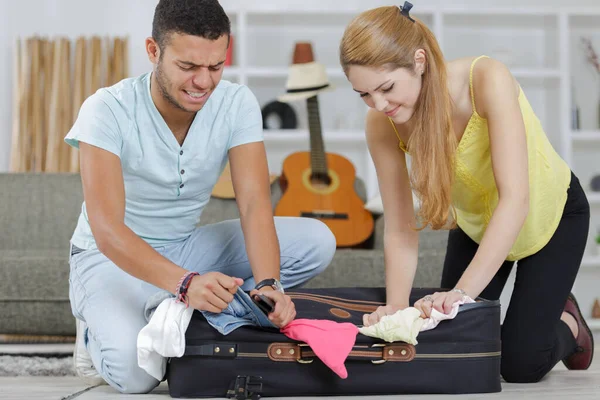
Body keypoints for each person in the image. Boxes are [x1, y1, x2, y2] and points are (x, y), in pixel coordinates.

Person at [64, 0, 336, 394]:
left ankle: (176, 306)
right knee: (137, 377)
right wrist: (186, 282)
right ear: (153, 51)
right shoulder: (106, 109)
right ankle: (92, 331)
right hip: (108, 259)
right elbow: (107, 230)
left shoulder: (236, 103)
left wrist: (270, 283)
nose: (203, 82)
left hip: (185, 248)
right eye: (188, 67)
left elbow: (255, 203)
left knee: (317, 241)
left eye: (215, 66)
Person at [339, 2, 594, 383]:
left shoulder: (486, 79)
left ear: (419, 61)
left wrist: (460, 292)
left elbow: (515, 200)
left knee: (519, 365)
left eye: (387, 87)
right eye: (364, 94)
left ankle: (569, 324)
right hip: (478, 225)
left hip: (551, 215)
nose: (379, 105)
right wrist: (395, 307)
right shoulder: (381, 123)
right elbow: (399, 227)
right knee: (451, 349)